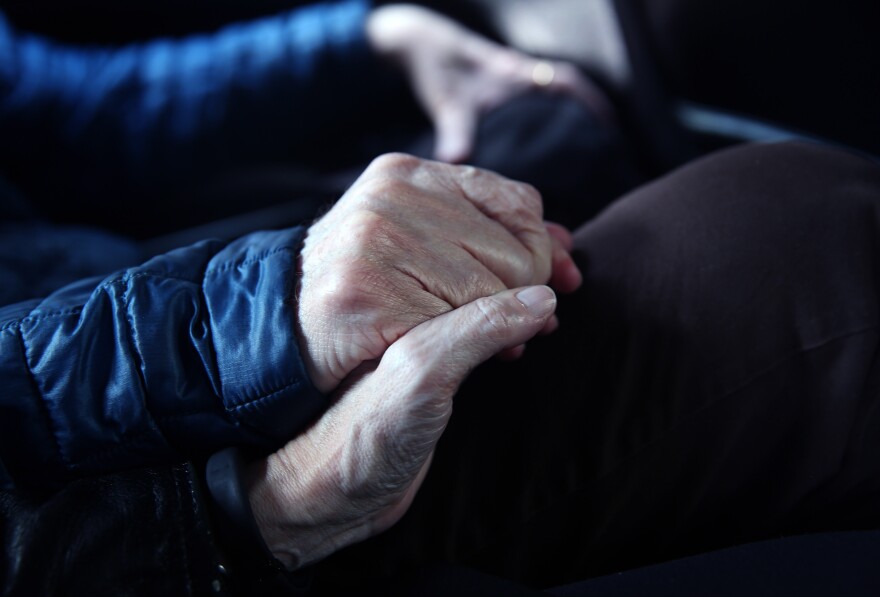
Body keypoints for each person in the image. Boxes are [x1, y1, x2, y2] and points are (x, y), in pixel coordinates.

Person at [4, 141, 880, 596]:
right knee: (811, 259)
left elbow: (83, 111)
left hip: (116, 296)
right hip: (148, 522)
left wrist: (378, 33)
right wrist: (263, 500)